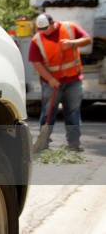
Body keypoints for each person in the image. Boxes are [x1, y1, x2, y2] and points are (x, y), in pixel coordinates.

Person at [29, 13, 92, 152]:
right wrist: (50, 79)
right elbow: (36, 62)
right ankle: (43, 143)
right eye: (40, 29)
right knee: (47, 113)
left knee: (73, 112)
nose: (43, 31)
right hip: (51, 83)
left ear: (53, 23)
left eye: (46, 28)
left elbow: (87, 40)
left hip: (73, 80)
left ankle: (74, 144)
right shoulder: (37, 40)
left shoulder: (69, 28)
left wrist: (72, 43)